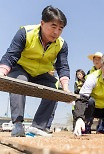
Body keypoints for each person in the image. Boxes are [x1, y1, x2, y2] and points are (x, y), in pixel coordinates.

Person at [0, 5, 70, 137]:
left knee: (54, 90)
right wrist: (2, 74)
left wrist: (65, 89)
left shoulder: (62, 44)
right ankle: (17, 124)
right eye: (53, 26)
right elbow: (11, 55)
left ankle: (37, 127)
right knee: (18, 82)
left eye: (60, 29)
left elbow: (63, 66)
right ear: (42, 23)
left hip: (42, 74)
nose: (56, 32)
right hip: (21, 69)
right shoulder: (25, 32)